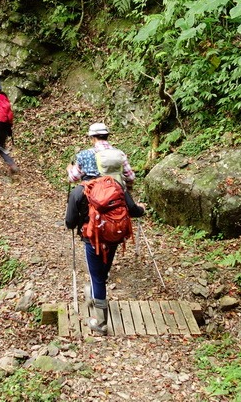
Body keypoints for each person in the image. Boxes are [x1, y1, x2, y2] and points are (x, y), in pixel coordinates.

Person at [65, 150, 145, 335]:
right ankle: (94, 290)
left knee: (97, 277)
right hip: (114, 236)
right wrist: (142, 210)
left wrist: (76, 221)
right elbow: (133, 210)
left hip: (92, 239)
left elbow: (69, 222)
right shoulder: (117, 187)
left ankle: (100, 323)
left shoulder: (80, 191)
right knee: (102, 271)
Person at [66, 122, 136, 188]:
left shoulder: (84, 155)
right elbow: (131, 177)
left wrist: (69, 169)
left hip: (93, 191)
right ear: (107, 136)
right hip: (115, 190)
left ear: (92, 138)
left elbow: (73, 177)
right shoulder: (120, 154)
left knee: (74, 196)